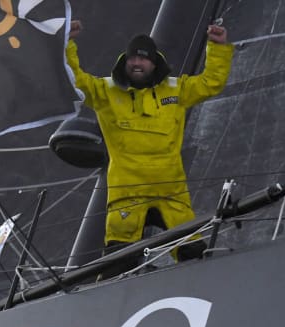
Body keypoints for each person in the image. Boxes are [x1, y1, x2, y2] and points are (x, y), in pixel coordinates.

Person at [66, 20, 233, 262]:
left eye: (143, 59)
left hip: (171, 192)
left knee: (194, 255)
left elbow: (211, 83)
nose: (137, 63)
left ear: (154, 63)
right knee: (119, 260)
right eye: (132, 58)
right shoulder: (105, 91)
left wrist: (217, 46)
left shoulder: (176, 90)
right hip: (128, 195)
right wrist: (67, 43)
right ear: (125, 61)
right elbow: (76, 83)